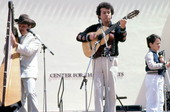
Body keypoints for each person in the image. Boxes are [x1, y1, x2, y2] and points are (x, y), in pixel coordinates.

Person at [76, 2, 127, 112]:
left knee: (111, 89)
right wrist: (89, 36)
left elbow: (122, 39)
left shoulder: (116, 27)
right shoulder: (94, 28)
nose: (107, 15)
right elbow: (79, 36)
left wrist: (123, 28)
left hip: (111, 60)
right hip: (97, 60)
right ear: (99, 15)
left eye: (109, 12)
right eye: (104, 13)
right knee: (97, 89)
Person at [11, 14, 41, 112]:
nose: (21, 28)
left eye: (23, 26)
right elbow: (9, 52)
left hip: (29, 71)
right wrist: (9, 42)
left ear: (29, 26)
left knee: (31, 93)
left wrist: (16, 45)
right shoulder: (19, 38)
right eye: (19, 26)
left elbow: (29, 51)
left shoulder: (35, 38)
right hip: (18, 71)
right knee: (20, 97)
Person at [145, 34, 170, 112]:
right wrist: (163, 65)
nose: (159, 45)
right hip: (152, 77)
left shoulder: (157, 54)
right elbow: (151, 65)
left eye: (159, 43)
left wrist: (164, 62)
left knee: (160, 99)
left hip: (159, 77)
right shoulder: (149, 54)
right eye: (157, 43)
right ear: (150, 44)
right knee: (153, 99)